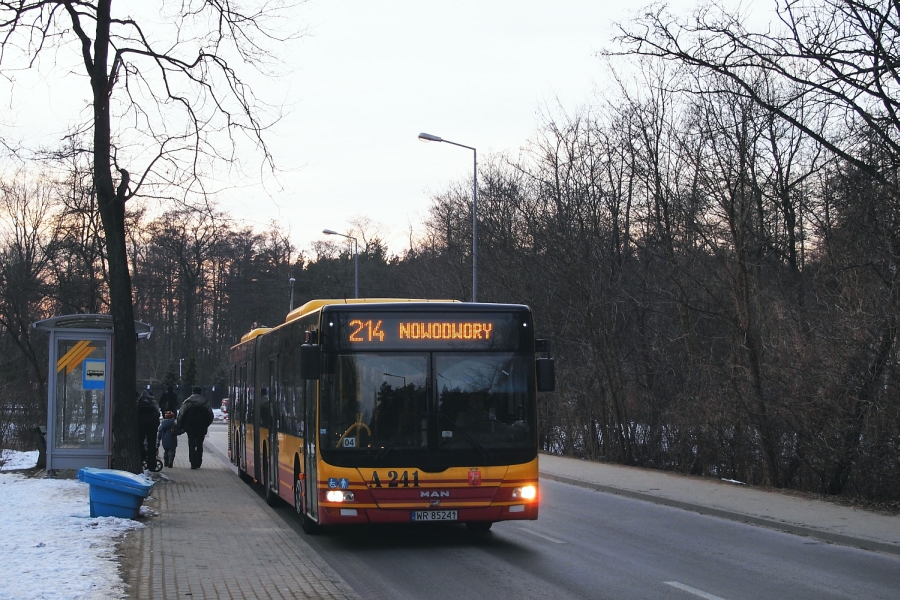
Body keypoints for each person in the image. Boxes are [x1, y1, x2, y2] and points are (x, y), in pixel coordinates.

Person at [176, 386, 214, 469]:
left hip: (190, 426)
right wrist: (206, 424)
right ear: (200, 393)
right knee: (200, 444)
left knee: (191, 444)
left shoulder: (188, 402)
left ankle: (193, 462)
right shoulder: (205, 402)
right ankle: (199, 461)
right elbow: (211, 415)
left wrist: (179, 425)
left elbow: (181, 414)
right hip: (201, 427)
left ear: (192, 392)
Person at [136, 390, 161, 468]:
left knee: (140, 443)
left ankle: (140, 459)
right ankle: (152, 464)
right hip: (152, 425)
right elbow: (158, 413)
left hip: (141, 424)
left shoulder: (139, 402)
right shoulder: (152, 403)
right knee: (152, 444)